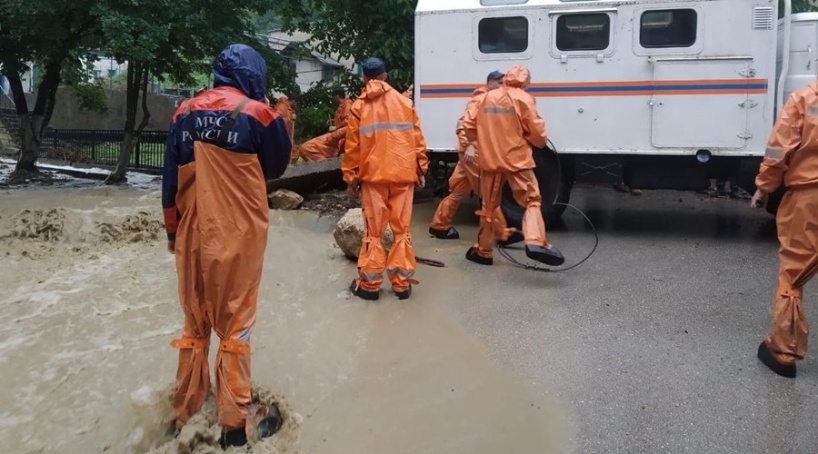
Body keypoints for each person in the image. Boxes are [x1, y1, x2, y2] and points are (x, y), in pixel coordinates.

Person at [161, 43, 291, 447]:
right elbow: (277, 166)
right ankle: (234, 427)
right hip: (237, 237)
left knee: (195, 324)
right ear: (252, 76)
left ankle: (184, 415)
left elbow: (169, 183)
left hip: (192, 237)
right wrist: (281, 117)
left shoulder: (183, 113)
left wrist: (172, 233)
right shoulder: (258, 115)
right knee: (235, 327)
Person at [342, 57, 428, 301]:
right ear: (385, 76)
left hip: (374, 177)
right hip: (403, 175)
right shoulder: (405, 102)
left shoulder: (359, 107)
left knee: (375, 233)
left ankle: (369, 286)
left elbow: (352, 149)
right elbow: (418, 140)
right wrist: (421, 169)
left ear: (364, 78)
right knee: (401, 231)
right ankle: (402, 284)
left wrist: (351, 178)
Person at [462, 65, 565, 267]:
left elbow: (468, 126)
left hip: (490, 161)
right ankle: (536, 242)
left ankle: (482, 251)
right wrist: (536, 142)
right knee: (531, 200)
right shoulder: (524, 98)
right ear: (524, 81)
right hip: (516, 160)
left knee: (489, 206)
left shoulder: (485, 98)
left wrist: (484, 142)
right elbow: (537, 133)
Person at [751, 79, 818, 378]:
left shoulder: (805, 99)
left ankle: (783, 353)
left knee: (793, 274)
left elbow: (779, 149)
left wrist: (764, 188)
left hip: (809, 196)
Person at [428, 70, 522, 247]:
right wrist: (470, 144)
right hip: (476, 152)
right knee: (490, 194)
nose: (504, 87)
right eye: (500, 83)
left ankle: (439, 225)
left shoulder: (487, 99)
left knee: (459, 190)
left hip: (472, 153)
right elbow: (463, 124)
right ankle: (501, 233)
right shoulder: (482, 99)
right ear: (490, 83)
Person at [275, 92, 299, 163]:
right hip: (280, 137)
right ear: (293, 101)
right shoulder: (281, 107)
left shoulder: (290, 109)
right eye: (297, 103)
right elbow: (276, 121)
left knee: (295, 154)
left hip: (288, 136)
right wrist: (289, 118)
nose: (297, 105)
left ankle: (290, 171)